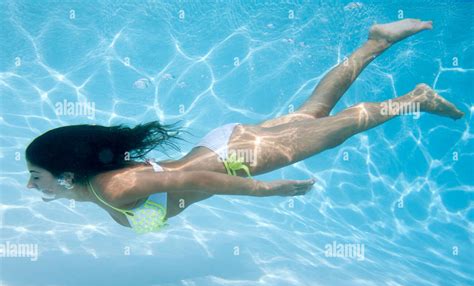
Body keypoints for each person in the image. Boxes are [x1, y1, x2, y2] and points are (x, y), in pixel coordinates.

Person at [26, 19, 464, 233]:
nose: (31, 186)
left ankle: (414, 99)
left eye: (35, 177)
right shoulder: (93, 186)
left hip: (235, 160)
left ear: (65, 173)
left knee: (341, 126)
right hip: (225, 146)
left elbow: (194, 178)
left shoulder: (111, 188)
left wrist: (265, 191)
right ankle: (376, 42)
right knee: (314, 113)